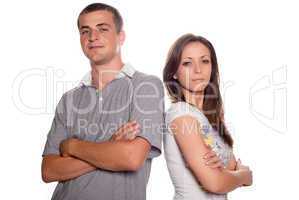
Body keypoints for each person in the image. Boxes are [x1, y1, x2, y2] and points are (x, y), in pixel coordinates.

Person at [41, 3, 165, 200]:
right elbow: (49, 171)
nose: (92, 37)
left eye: (102, 29)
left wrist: (72, 146)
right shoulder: (69, 99)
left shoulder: (146, 86)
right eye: (85, 31)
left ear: (120, 37)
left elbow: (130, 158)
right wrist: (111, 146)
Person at [163, 33, 253, 199]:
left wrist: (228, 173)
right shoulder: (181, 114)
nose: (198, 70)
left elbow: (231, 167)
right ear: (174, 72)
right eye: (187, 63)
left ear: (212, 67)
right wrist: (243, 176)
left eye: (204, 61)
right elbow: (216, 183)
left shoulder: (208, 118)